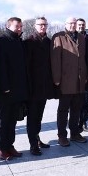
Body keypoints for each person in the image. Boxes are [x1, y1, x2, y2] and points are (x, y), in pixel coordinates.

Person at [0, 17, 29, 160]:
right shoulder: (1, 41)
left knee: (13, 119)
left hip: (17, 89)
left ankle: (9, 146)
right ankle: (0, 148)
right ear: (8, 26)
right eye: (16, 26)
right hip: (4, 90)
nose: (19, 28)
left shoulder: (18, 41)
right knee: (3, 120)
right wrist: (4, 86)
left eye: (21, 26)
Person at [51, 16, 88, 146]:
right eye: (70, 23)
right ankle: (62, 135)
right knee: (63, 110)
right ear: (65, 24)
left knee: (76, 109)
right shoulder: (58, 37)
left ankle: (75, 133)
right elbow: (55, 60)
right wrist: (56, 79)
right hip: (66, 80)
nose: (73, 25)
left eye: (74, 23)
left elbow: (83, 58)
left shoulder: (82, 38)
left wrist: (85, 75)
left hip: (79, 80)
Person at [24, 17, 56, 156]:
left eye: (45, 25)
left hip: (44, 86)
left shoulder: (49, 42)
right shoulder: (29, 42)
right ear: (35, 26)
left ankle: (37, 139)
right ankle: (33, 145)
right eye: (40, 25)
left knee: (39, 116)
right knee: (32, 117)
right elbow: (25, 67)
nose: (43, 27)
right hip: (33, 87)